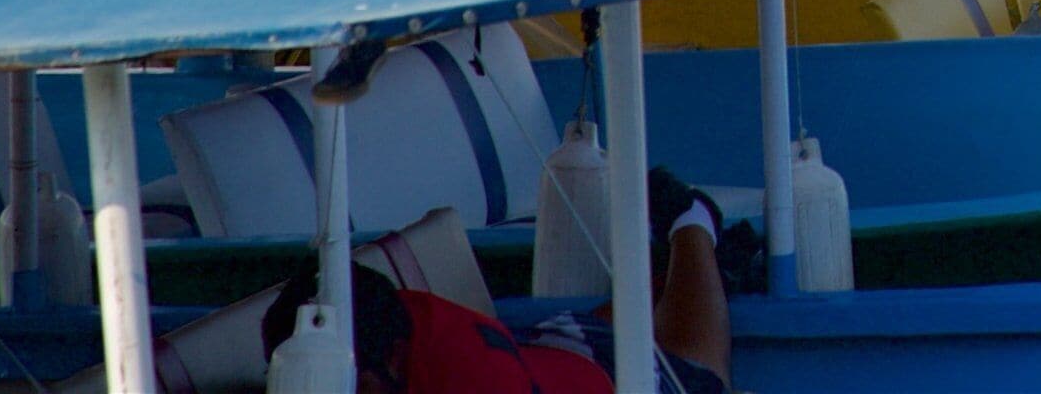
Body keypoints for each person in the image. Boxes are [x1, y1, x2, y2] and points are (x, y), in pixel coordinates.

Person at [260, 170, 731, 394]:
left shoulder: (470, 383)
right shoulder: (357, 324)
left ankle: (693, 224)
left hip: (592, 372)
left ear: (394, 360)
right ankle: (668, 275)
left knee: (702, 376)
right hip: (550, 346)